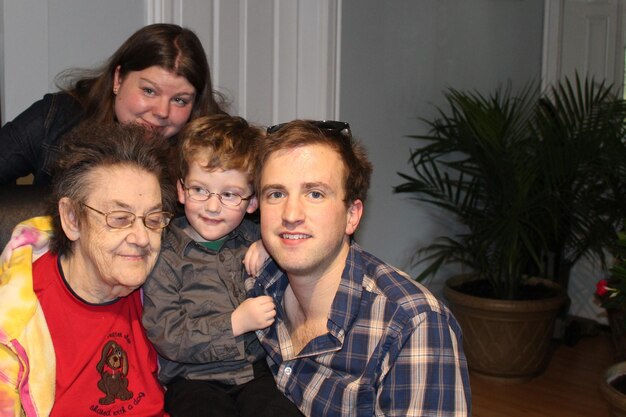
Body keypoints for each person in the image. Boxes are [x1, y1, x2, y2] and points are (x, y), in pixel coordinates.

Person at [247, 120, 472, 416]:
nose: (290, 214)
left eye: (315, 193)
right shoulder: (255, 282)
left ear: (352, 215)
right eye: (276, 194)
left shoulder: (413, 326)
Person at [0, 122, 176, 416]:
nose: (143, 238)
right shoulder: (18, 322)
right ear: (71, 219)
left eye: (154, 218)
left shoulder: (166, 287)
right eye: (120, 218)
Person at [141, 114, 303, 417]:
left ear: (252, 202)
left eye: (229, 194)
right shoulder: (163, 253)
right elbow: (167, 335)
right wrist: (234, 324)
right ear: (181, 189)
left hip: (256, 373)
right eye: (199, 190)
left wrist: (270, 245)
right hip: (193, 380)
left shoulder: (256, 239)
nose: (212, 206)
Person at [0, 23, 225, 186]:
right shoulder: (55, 117)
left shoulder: (215, 145)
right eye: (149, 91)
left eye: (179, 100)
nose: (162, 112)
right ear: (118, 79)